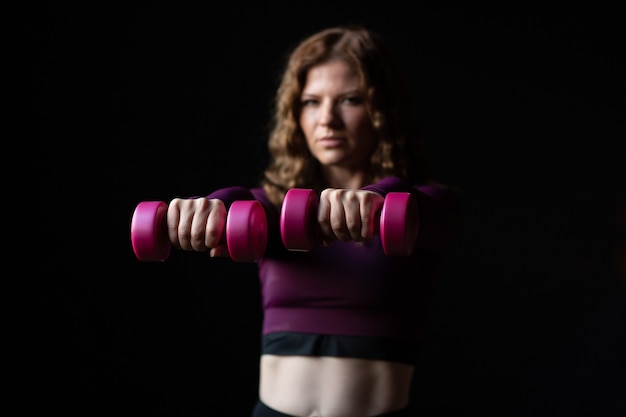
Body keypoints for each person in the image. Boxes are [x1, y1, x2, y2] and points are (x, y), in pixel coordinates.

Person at [165, 26, 461, 417]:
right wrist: (208, 206)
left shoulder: (426, 206)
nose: (327, 120)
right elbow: (242, 202)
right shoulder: (274, 209)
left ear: (382, 111)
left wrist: (374, 198)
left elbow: (415, 205)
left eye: (350, 100)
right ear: (295, 113)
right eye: (310, 102)